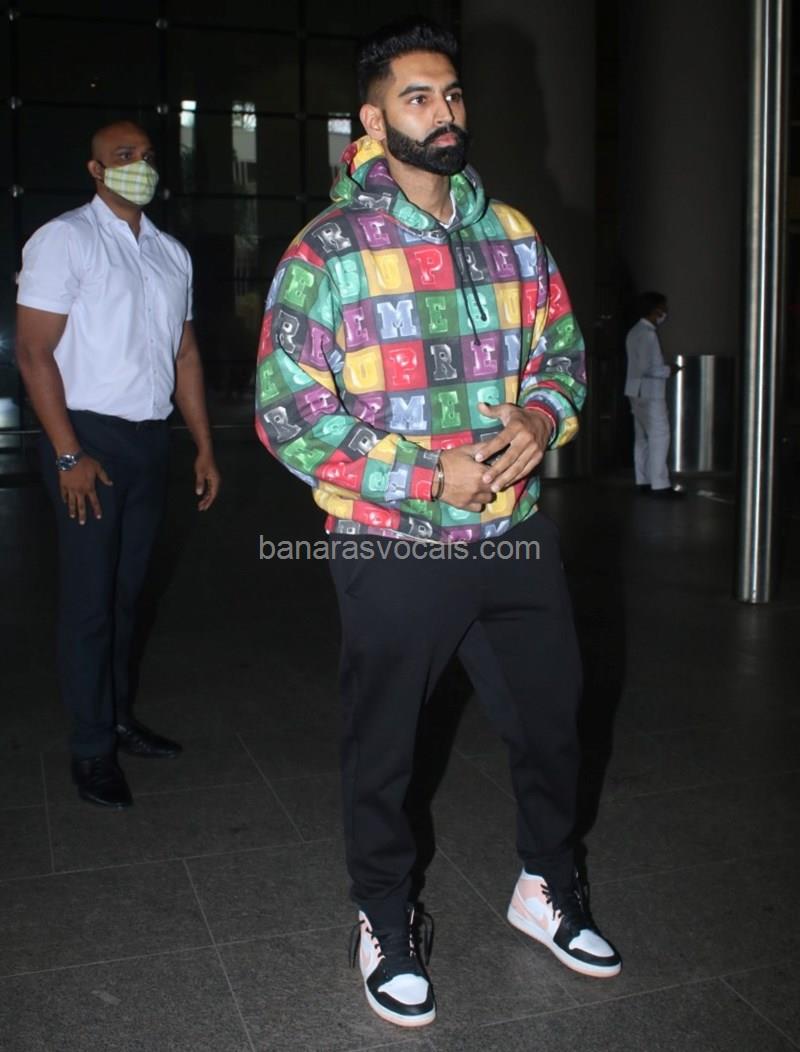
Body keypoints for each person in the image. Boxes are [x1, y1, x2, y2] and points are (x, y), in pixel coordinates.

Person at [255, 20, 620, 1029]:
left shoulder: (513, 233)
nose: (444, 111)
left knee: (551, 721)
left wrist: (541, 415)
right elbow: (287, 412)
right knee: (386, 746)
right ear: (373, 121)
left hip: (512, 533)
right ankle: (381, 914)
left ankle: (546, 884)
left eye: (452, 94)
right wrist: (425, 476)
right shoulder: (328, 250)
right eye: (418, 97)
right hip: (390, 542)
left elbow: (561, 351)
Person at [16, 121, 221, 810]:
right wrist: (68, 451)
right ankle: (90, 748)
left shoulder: (170, 253)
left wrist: (203, 444)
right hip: (87, 441)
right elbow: (34, 353)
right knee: (89, 603)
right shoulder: (66, 239)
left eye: (148, 156)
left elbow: (184, 355)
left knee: (127, 595)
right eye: (123, 156)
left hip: (148, 440)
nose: (140, 165)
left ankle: (117, 718)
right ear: (96, 170)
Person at [624, 291, 682, 497]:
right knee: (659, 435)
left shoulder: (633, 332)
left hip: (634, 390)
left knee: (642, 438)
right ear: (655, 309)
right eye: (663, 307)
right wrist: (669, 370)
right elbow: (648, 368)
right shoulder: (648, 335)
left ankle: (644, 479)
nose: (665, 311)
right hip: (650, 392)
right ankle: (660, 483)